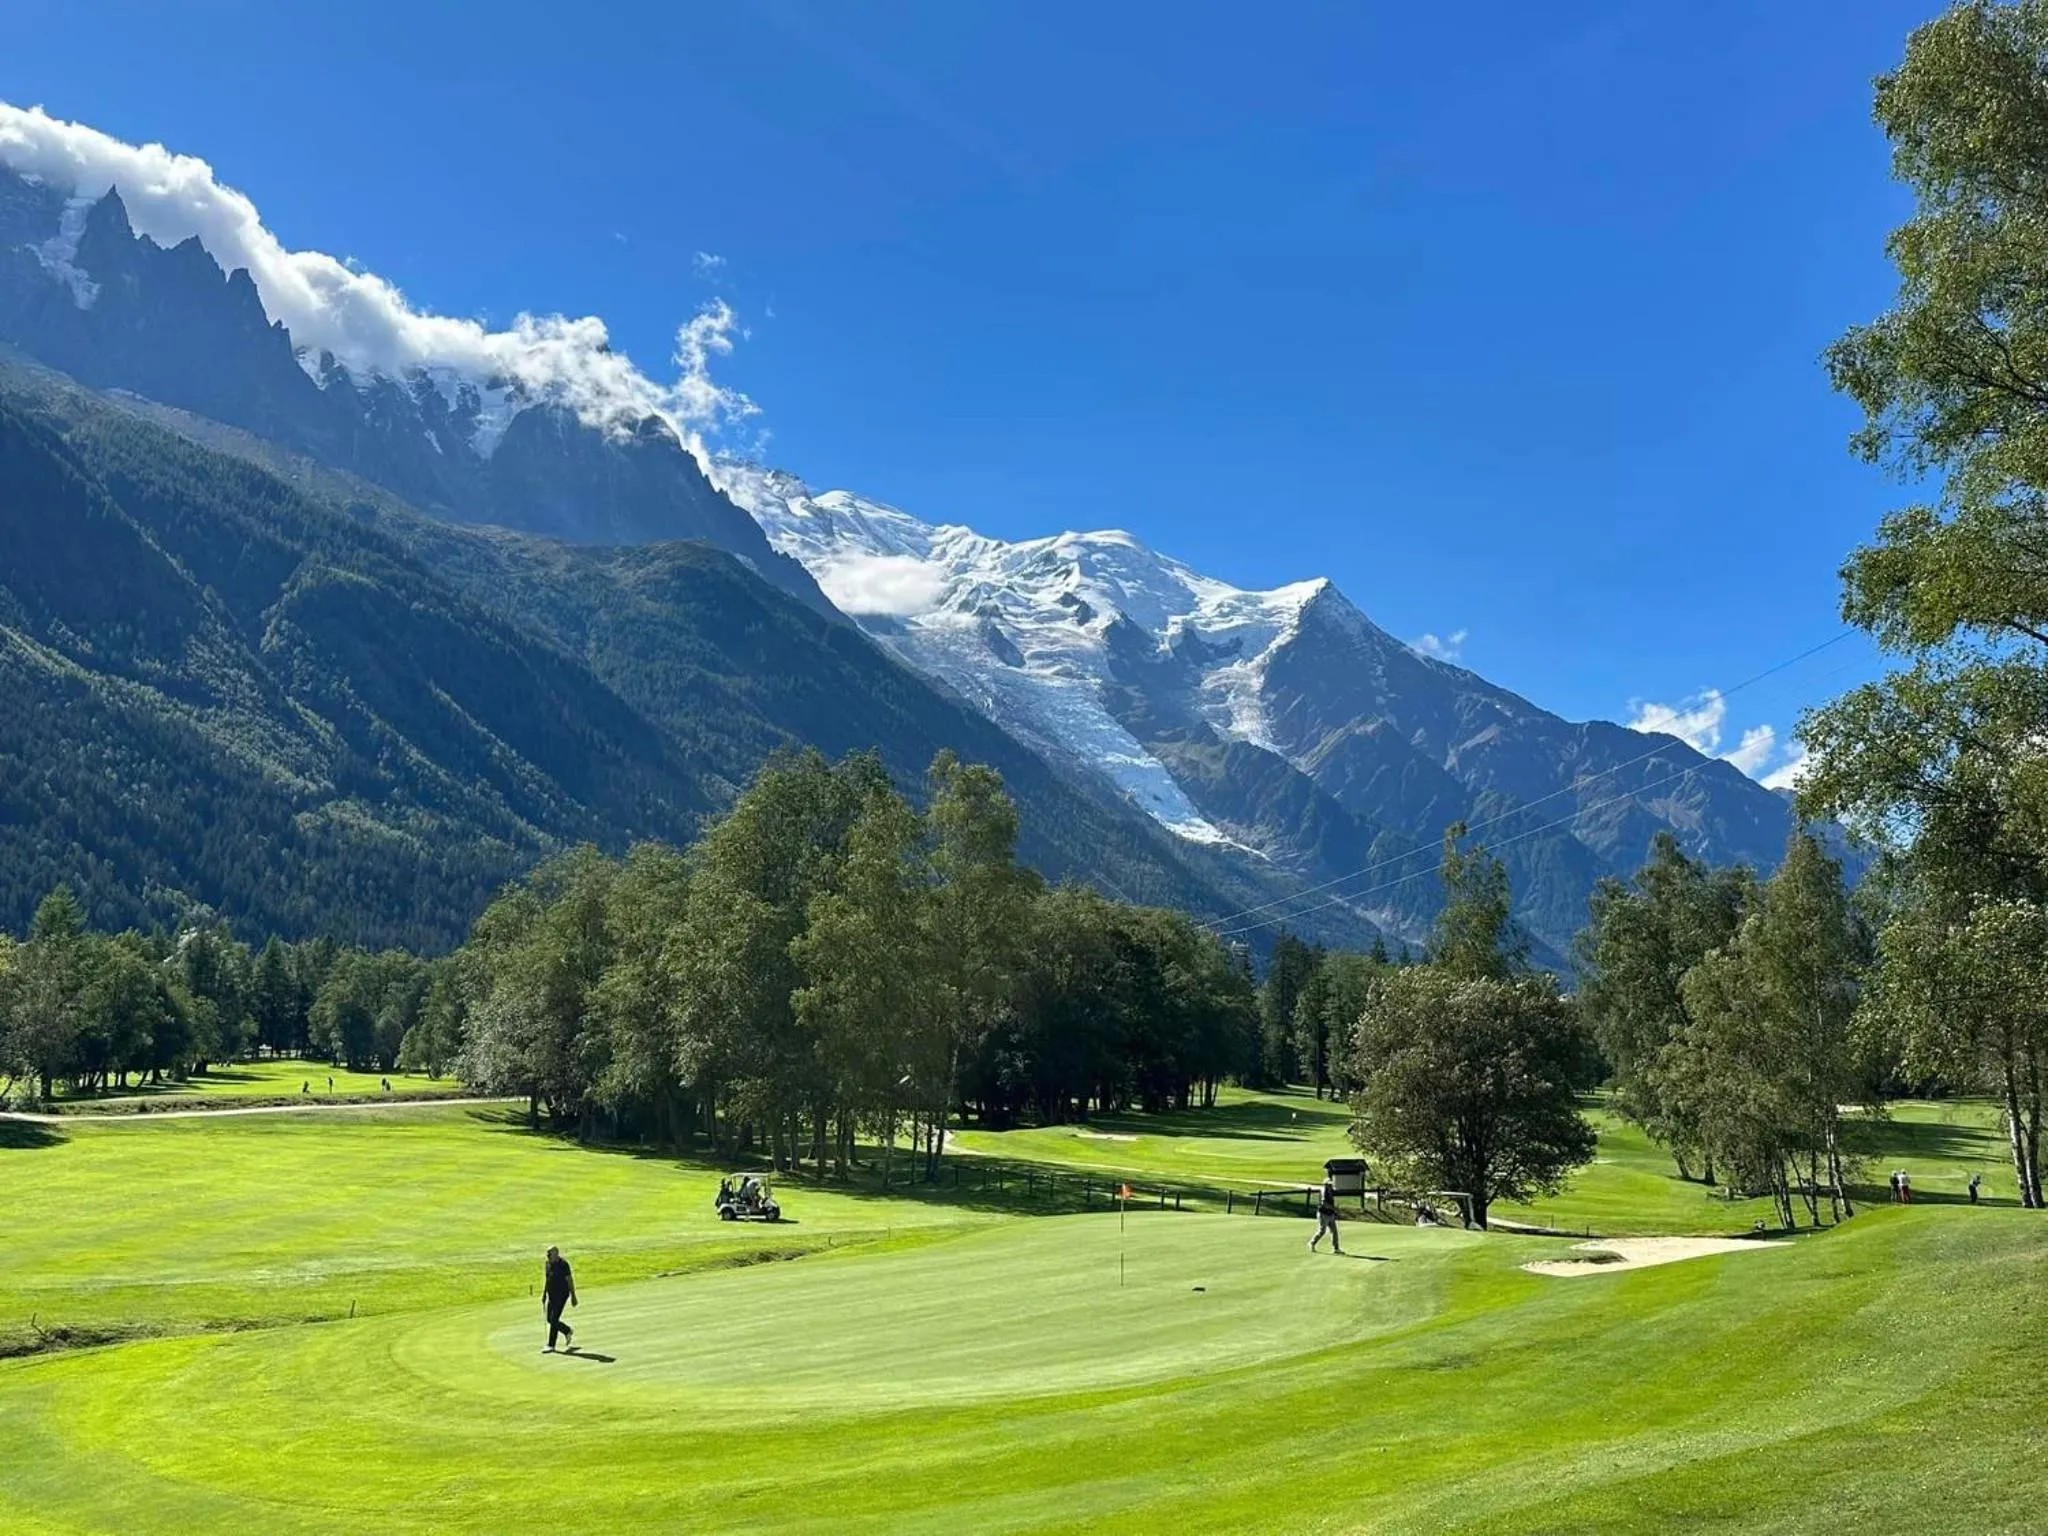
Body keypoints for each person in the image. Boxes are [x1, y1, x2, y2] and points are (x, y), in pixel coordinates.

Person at [542, 1245, 578, 1352]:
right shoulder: (547, 1264)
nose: (548, 1256)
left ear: (556, 1253)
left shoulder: (563, 1264)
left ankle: (551, 1345)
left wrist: (573, 1296)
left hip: (562, 1295)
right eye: (547, 1254)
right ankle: (567, 1330)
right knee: (549, 1319)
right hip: (552, 1295)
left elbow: (569, 1280)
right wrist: (544, 1294)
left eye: (550, 1254)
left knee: (554, 1319)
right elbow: (547, 1279)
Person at [1309, 1179, 1342, 1254]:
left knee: (1334, 1231)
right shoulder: (1324, 1191)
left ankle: (1336, 1248)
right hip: (1323, 1214)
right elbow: (1324, 1204)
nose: (1331, 1186)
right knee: (1322, 1231)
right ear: (1326, 1185)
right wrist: (1334, 1209)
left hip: (1330, 1214)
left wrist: (1334, 1211)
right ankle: (1312, 1243)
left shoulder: (1330, 1191)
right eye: (1329, 1185)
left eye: (1331, 1185)